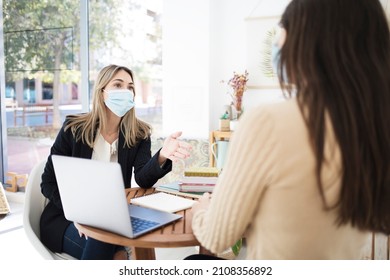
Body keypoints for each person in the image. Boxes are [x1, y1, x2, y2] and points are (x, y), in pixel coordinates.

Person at [189, 0, 390, 260]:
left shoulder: (268, 122)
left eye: (281, 28)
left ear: (307, 40)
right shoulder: (375, 128)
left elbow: (216, 237)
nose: (277, 42)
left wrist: (201, 212)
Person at [40, 64, 191, 260]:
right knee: (112, 248)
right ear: (102, 92)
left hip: (112, 219)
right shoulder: (73, 129)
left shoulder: (139, 133)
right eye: (118, 85)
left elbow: (143, 179)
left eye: (130, 87)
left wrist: (163, 155)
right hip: (66, 219)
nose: (126, 92)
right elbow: (48, 183)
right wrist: (78, 215)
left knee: (112, 245)